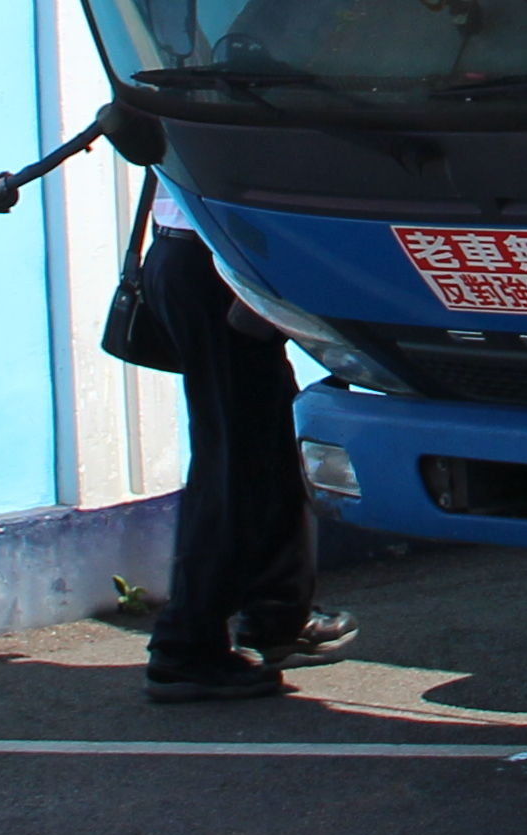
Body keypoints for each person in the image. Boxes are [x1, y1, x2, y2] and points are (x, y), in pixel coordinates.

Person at [111, 211, 355, 703]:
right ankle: (186, 646)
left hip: (213, 258)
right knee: (234, 463)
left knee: (270, 446)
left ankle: (277, 614)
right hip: (215, 262)